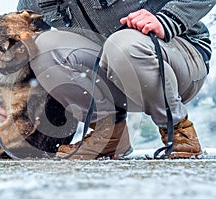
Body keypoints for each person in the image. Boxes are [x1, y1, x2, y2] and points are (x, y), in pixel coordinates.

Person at [16, 0, 215, 159]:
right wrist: (9, 97)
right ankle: (110, 135)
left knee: (123, 45)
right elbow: (17, 30)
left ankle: (180, 132)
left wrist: (166, 20)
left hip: (178, 59)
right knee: (40, 47)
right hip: (109, 70)